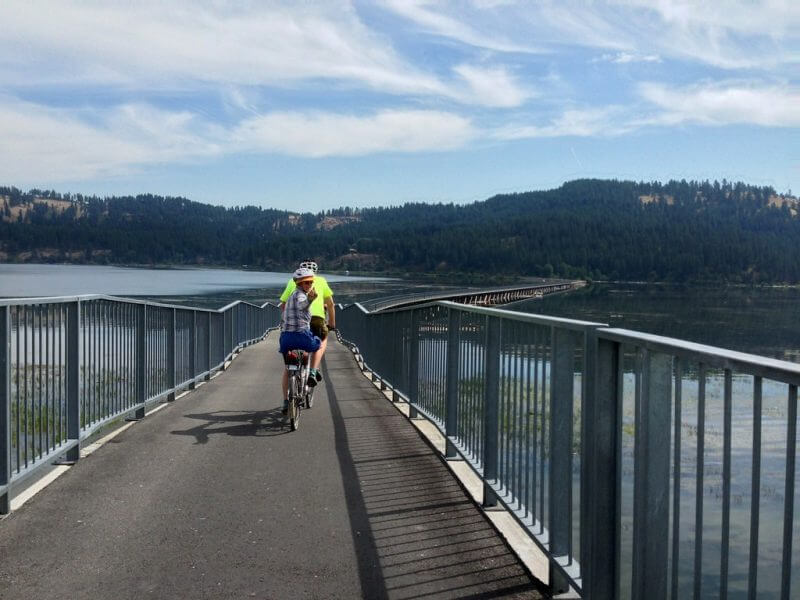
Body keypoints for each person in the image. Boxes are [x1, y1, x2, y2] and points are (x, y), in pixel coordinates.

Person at [279, 259, 336, 378]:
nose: (309, 284)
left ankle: (288, 393)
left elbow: (283, 303)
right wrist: (332, 323)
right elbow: (330, 304)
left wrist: (287, 320)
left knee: (298, 341)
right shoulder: (320, 280)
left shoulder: (292, 282)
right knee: (321, 339)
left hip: (292, 327)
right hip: (317, 318)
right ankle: (313, 371)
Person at [279, 267, 322, 413]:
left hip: (286, 338)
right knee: (318, 344)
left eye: (310, 282)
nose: (308, 285)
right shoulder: (301, 296)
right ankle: (312, 372)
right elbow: (302, 305)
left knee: (287, 368)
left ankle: (286, 401)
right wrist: (311, 298)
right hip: (302, 337)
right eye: (305, 283)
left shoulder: (291, 296)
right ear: (298, 284)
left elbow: (285, 309)